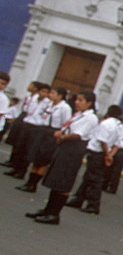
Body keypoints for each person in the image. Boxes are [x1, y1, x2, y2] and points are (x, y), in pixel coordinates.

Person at [23, 91, 99, 225]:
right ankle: (47, 210)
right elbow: (68, 127)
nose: (77, 102)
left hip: (73, 150)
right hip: (65, 147)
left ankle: (54, 214)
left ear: (89, 103)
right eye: (76, 99)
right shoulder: (79, 115)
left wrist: (62, 137)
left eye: (81, 100)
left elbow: (78, 134)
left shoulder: (90, 118)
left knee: (63, 182)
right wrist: (62, 134)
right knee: (56, 179)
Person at [66, 105, 122, 215]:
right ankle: (78, 199)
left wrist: (107, 154)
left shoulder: (106, 123)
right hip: (105, 153)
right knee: (88, 177)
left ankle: (93, 204)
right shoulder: (119, 126)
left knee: (95, 179)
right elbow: (117, 144)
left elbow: (102, 140)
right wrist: (110, 155)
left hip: (98, 153)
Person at [103, 114, 123, 194]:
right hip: (115, 149)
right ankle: (104, 184)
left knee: (116, 171)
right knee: (109, 168)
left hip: (122, 150)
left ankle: (113, 188)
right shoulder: (119, 128)